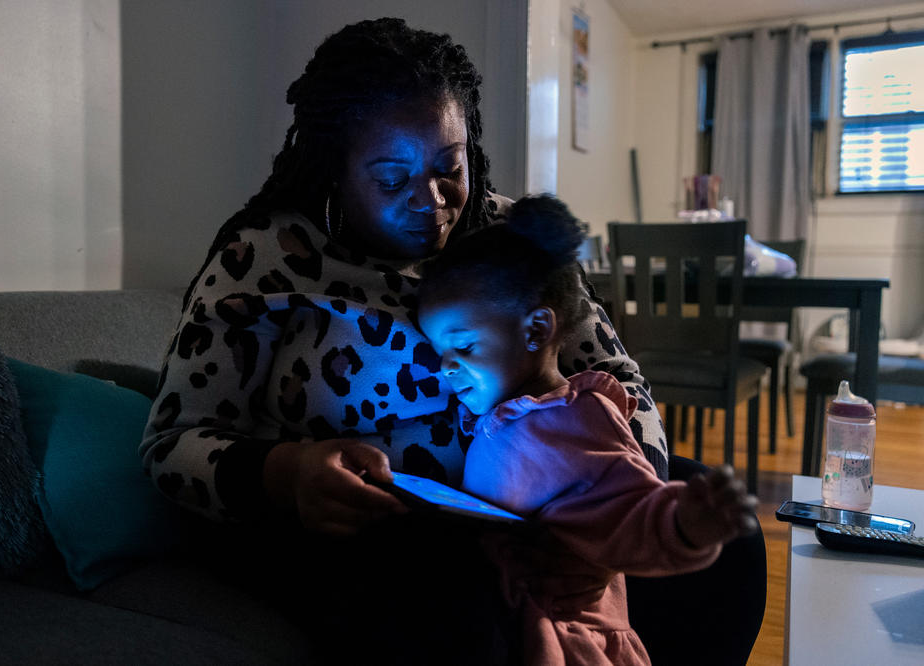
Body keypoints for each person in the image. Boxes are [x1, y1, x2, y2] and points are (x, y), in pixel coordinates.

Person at [140, 17, 669, 664]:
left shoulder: (510, 241)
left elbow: (621, 379)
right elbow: (172, 445)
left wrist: (619, 505)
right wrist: (288, 473)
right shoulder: (265, 259)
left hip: (542, 509)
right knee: (461, 593)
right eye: (392, 180)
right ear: (335, 169)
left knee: (725, 551)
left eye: (452, 166)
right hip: (364, 538)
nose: (434, 199)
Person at [415, 194, 759, 666]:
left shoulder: (576, 420)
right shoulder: (507, 413)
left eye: (465, 348)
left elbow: (636, 507)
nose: (446, 369)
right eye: (441, 353)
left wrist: (687, 524)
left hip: (574, 643)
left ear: (536, 330)